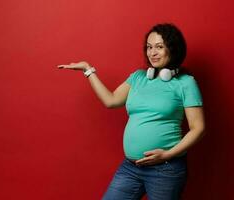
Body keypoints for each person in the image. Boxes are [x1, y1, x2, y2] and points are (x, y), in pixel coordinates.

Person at [57, 23, 205, 200]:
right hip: (131, 167)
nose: (152, 53)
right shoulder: (138, 77)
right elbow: (110, 101)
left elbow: (198, 128)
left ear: (173, 49)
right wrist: (88, 70)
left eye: (159, 47)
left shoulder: (185, 83)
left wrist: (168, 154)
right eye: (149, 47)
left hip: (166, 168)